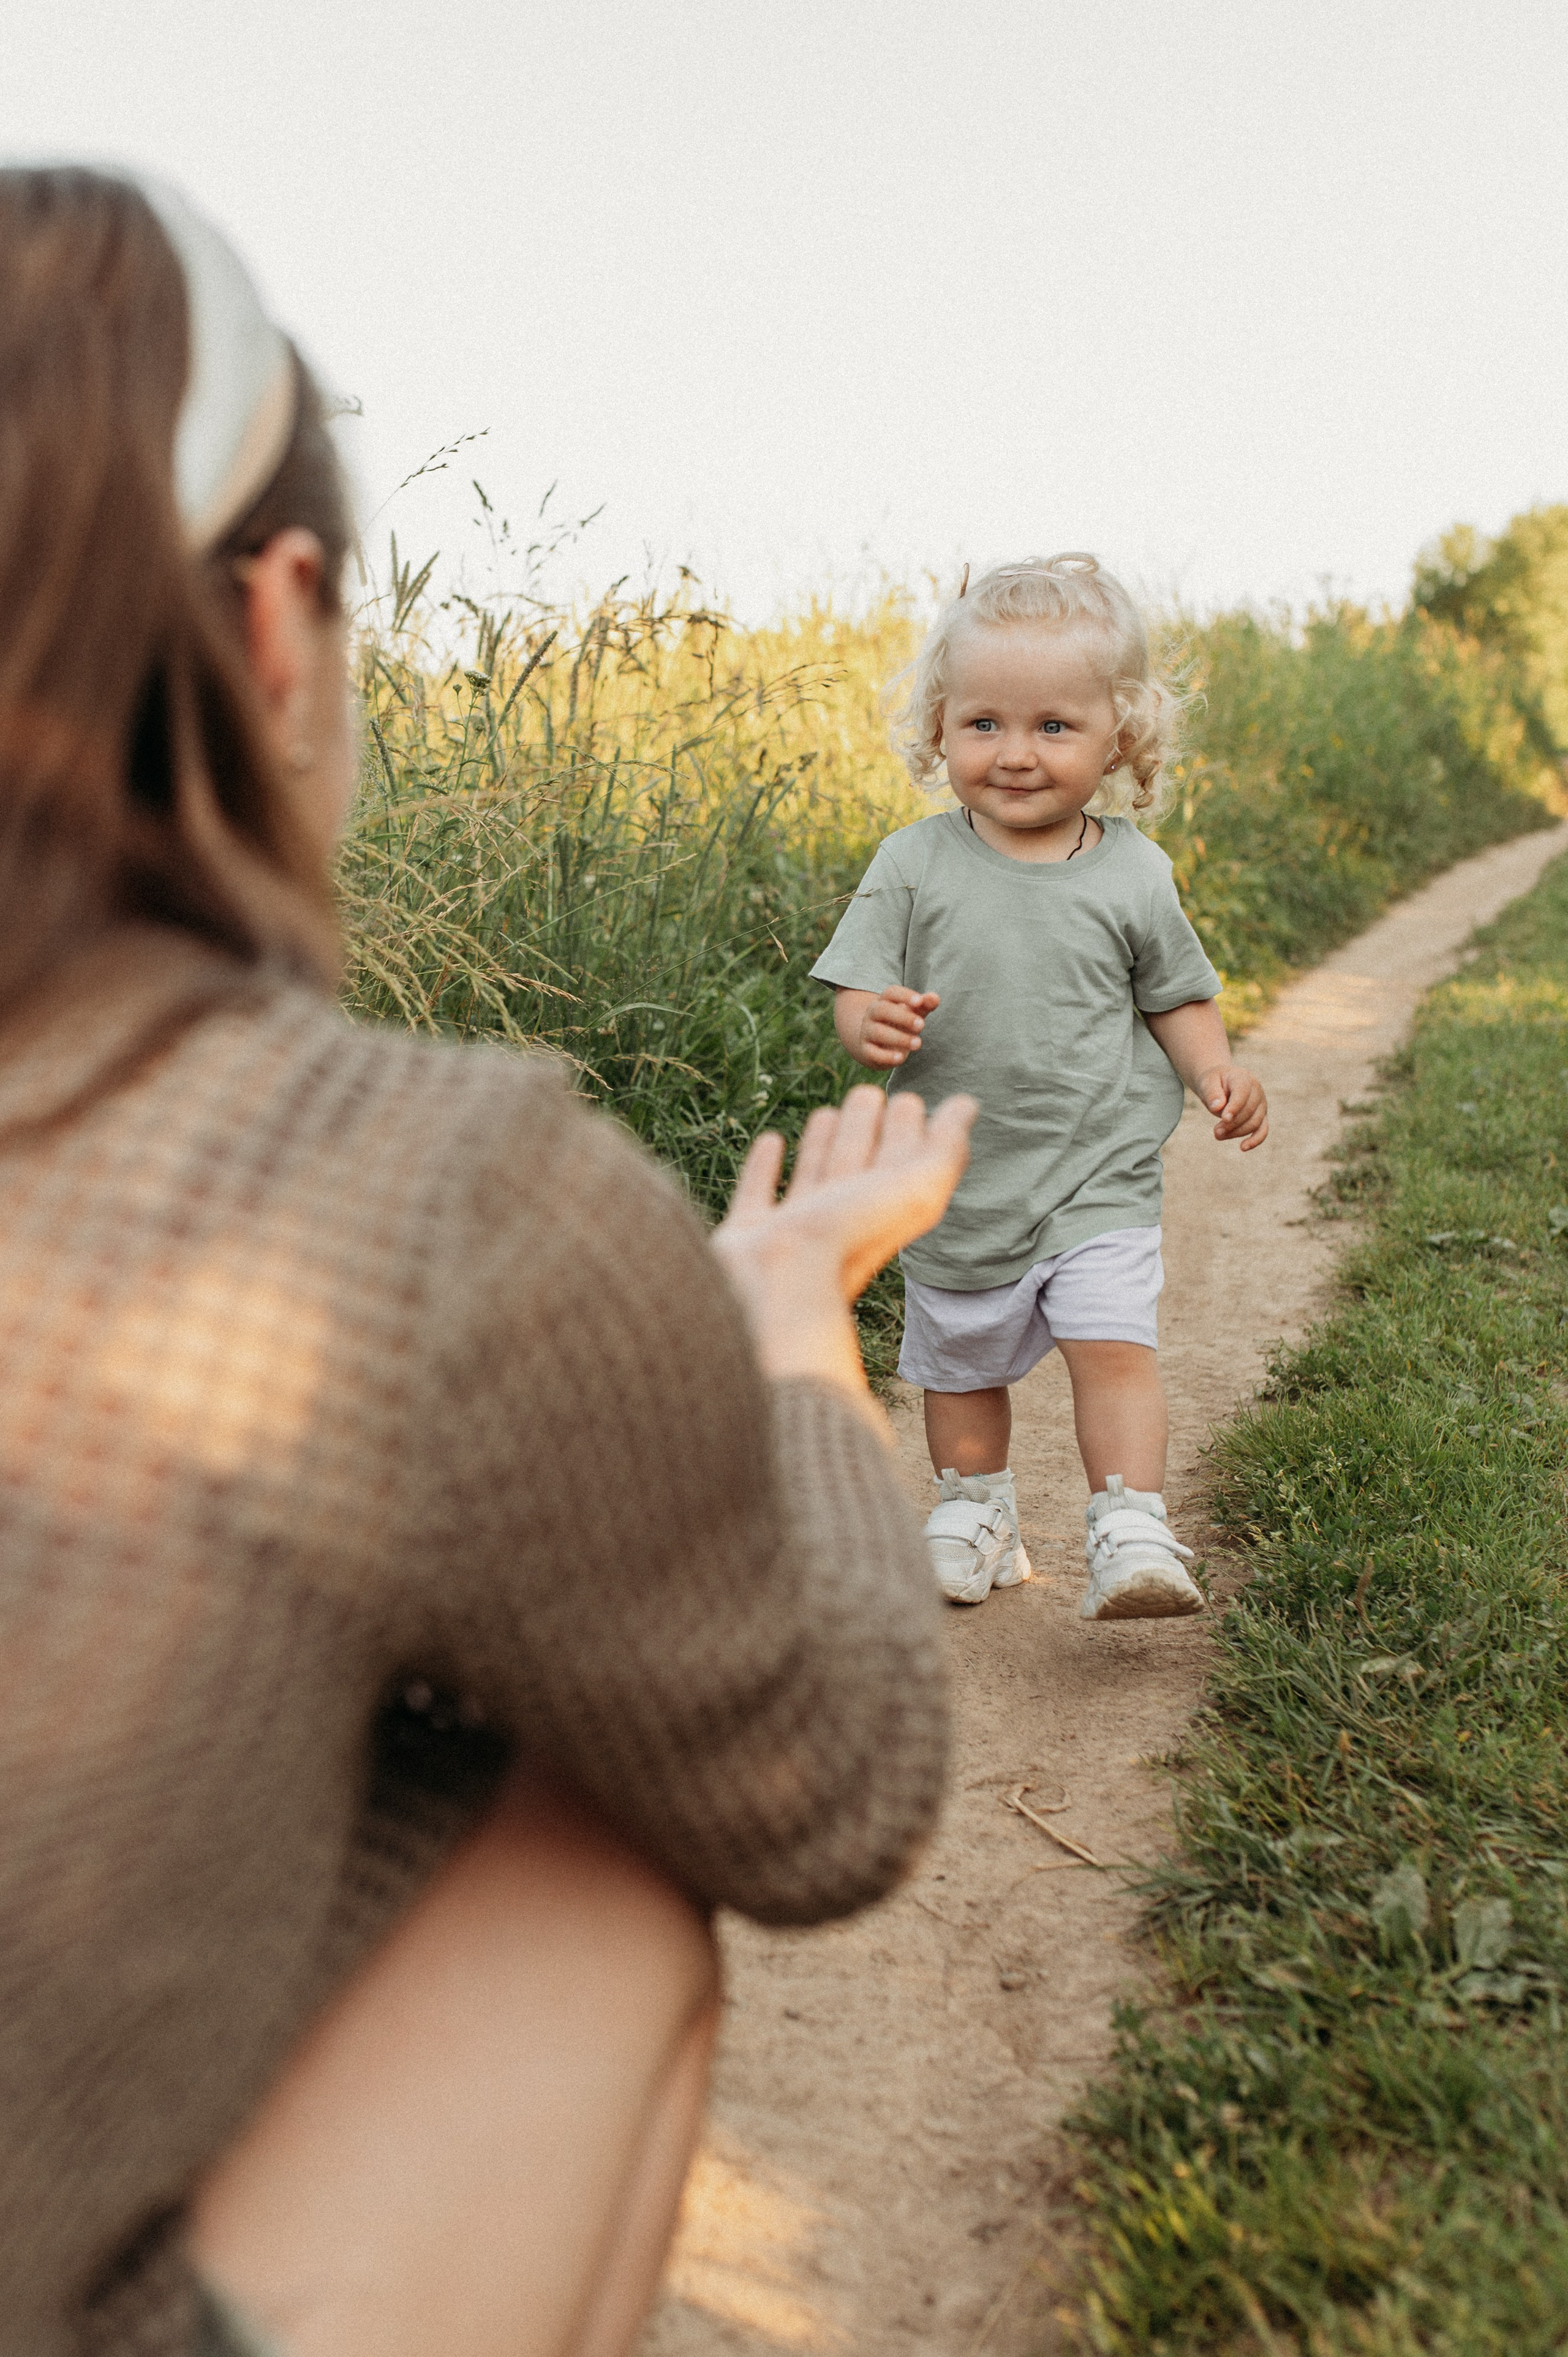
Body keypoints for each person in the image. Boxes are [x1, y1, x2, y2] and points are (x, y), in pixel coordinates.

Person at [0, 167, 977, 2357]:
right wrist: (789, 1322)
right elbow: (829, 1787)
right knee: (601, 1858)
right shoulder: (421, 1192)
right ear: (276, 627)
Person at [812, 556, 1268, 1618]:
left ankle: (1131, 1521)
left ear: (1120, 738)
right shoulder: (912, 862)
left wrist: (1215, 1070)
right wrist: (870, 1021)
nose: (1015, 753)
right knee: (959, 1365)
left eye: (1054, 726)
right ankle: (978, 1511)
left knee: (1113, 1344)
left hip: (1096, 1169)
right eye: (984, 724)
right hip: (960, 1178)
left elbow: (1176, 995)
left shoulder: (1134, 873)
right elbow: (856, 987)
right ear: (940, 727)